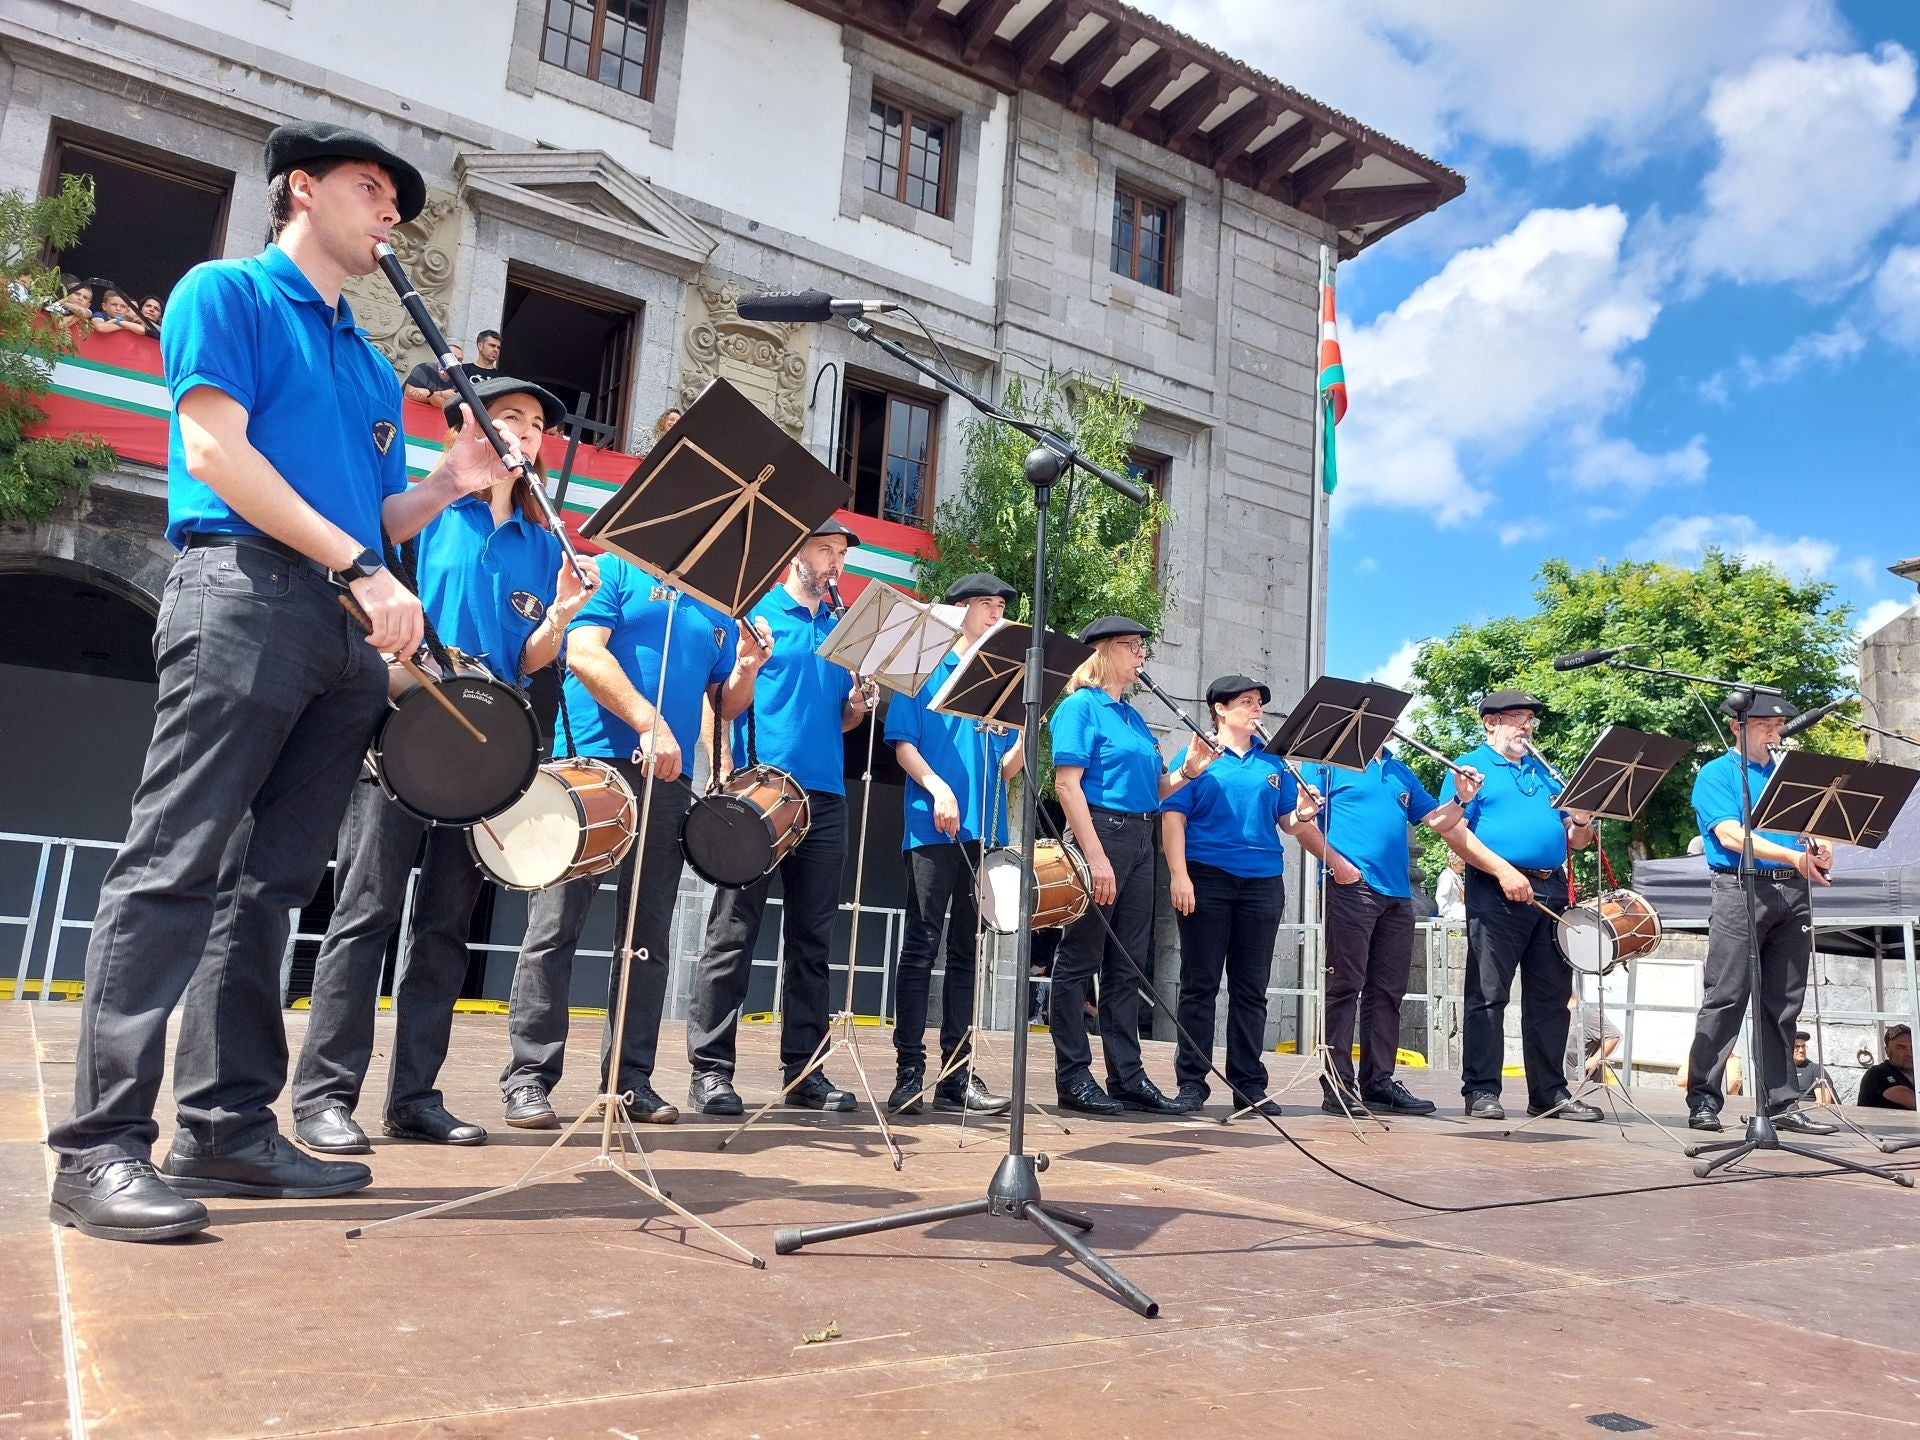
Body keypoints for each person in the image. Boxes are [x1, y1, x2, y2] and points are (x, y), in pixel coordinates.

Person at [46, 120, 498, 1244]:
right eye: (369, 187)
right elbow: (213, 452)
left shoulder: (365, 362)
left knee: (272, 888)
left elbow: (376, 515)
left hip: (345, 632)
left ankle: (227, 1126)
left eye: (400, 200)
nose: (391, 210)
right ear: (300, 188)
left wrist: (447, 481)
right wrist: (354, 561)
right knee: (173, 866)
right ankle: (98, 1147)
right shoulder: (228, 291)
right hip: (246, 592)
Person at [291, 377, 597, 1155]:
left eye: (534, 427)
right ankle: (326, 1095)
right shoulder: (428, 510)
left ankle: (415, 1097)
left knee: (445, 931)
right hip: (400, 731)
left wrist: (561, 611)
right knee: (364, 915)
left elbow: (527, 660)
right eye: (509, 421)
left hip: (484, 752)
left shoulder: (539, 542)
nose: (523, 436)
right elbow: (365, 602)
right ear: (467, 426)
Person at [497, 557, 768, 1128]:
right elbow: (584, 652)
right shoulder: (614, 572)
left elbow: (722, 703)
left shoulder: (715, 603)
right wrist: (649, 722)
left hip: (667, 778)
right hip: (594, 765)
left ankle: (629, 1080)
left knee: (648, 935)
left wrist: (746, 668)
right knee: (555, 923)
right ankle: (529, 1077)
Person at [683, 519, 873, 1115]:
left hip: (827, 796)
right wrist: (719, 772)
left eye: (841, 553)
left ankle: (805, 1073)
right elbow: (719, 697)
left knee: (813, 942)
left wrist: (858, 706)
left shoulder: (843, 629)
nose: (835, 561)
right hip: (760, 791)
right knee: (733, 932)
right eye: (825, 549)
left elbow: (839, 720)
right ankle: (711, 1071)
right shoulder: (756, 613)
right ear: (795, 553)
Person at [1048, 615, 1215, 1116]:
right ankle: (1073, 1076)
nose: (1141, 656)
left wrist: (1187, 770)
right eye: (1132, 647)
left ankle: (1127, 1076)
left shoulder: (1134, 718)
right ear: (1102, 651)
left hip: (1141, 834)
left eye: (1143, 649)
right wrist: (1095, 856)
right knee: (1079, 960)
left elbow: (1156, 790)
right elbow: (1066, 785)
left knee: (1127, 965)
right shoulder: (1080, 707)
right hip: (1101, 832)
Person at [883, 572, 1021, 1117]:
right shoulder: (925, 667)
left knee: (970, 953)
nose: (995, 614)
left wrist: (1028, 727)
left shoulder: (1002, 683)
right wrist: (938, 787)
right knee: (921, 946)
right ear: (959, 609)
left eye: (1000, 607)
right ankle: (908, 1071)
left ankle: (958, 1074)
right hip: (933, 826)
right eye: (986, 605)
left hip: (986, 831)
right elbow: (903, 745)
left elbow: (1008, 768)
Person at [1306, 743, 1506, 1117]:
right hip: (1350, 887)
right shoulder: (1330, 763)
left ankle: (1379, 1084)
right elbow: (1303, 821)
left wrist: (1461, 799)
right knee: (1345, 987)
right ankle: (1337, 1085)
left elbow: (1437, 821)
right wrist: (1337, 865)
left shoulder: (1399, 770)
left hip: (1397, 894)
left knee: (1388, 992)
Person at [1162, 675, 1325, 1116]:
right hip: (1207, 877)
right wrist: (1179, 876)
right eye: (1248, 702)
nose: (1258, 710)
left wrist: (1303, 811)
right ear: (1220, 708)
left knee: (1252, 989)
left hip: (1262, 882)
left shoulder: (1273, 764)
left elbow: (1287, 823)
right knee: (1200, 985)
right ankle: (1192, 1083)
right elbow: (1173, 818)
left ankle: (1249, 1084)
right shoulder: (1196, 755)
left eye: (1260, 704)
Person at [1442, 689, 1601, 1123]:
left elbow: (1576, 840)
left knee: (1552, 997)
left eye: (1530, 718)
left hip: (1552, 888)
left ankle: (1549, 1092)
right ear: (1490, 722)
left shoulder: (1546, 773)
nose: (1526, 726)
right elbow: (1454, 833)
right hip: (1496, 888)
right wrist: (1503, 871)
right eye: (1516, 717)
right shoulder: (1470, 768)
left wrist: (1583, 819)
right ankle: (1481, 1090)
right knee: (1488, 993)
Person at [1684, 692, 1837, 1135]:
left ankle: (1781, 1102)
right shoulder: (1716, 773)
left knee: (1785, 1001)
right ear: (1738, 726)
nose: (1776, 732)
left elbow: (1806, 831)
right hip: (1740, 887)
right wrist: (1793, 858)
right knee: (1726, 996)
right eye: (1766, 725)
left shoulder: (1786, 775)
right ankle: (1704, 1099)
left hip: (1793, 892)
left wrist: (1816, 847)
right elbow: (1731, 835)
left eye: (1778, 725)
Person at [1564, 994, 1622, 1084]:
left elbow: (1613, 1036)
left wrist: (1595, 1059)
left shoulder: (1586, 1013)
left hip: (1582, 1084)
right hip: (1562, 1081)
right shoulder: (1557, 1013)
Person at [1858, 1023, 1915, 1109]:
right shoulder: (1877, 1073)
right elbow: (1911, 1100)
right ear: (1888, 1051)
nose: (1909, 1053)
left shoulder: (1916, 1073)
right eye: (1901, 1048)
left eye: (1912, 1047)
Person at [1789, 1030, 1836, 1105]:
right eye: (1796, 1046)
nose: (1801, 1050)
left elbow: (1824, 1103)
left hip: (1810, 1113)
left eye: (1803, 1046)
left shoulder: (1816, 1070)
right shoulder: (1780, 1071)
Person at [1435, 851, 1466, 921]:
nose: (1464, 867)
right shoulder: (1446, 876)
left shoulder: (1456, 876)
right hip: (1453, 914)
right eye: (1461, 865)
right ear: (1453, 862)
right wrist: (1449, 915)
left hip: (1459, 912)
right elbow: (1441, 898)